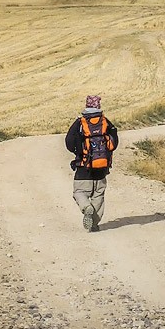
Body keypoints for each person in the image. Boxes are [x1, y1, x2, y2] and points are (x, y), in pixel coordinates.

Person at [65, 95, 118, 232]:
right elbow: (114, 143)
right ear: (98, 106)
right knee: (98, 196)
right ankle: (94, 224)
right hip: (101, 168)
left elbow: (69, 143)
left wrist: (78, 152)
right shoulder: (105, 122)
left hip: (83, 167)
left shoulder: (80, 123)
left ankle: (85, 207)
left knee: (79, 192)